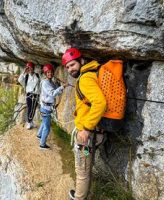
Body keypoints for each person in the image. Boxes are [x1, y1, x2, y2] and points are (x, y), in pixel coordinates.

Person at [62, 48, 107, 200]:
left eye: (72, 64)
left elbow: (100, 103)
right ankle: (84, 192)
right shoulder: (89, 74)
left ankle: (79, 197)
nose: (70, 69)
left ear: (81, 61)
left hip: (87, 137)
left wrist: (86, 128)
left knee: (81, 168)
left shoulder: (86, 79)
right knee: (86, 162)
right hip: (92, 136)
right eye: (67, 67)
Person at [37, 63, 68, 149]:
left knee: (44, 122)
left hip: (46, 107)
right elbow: (53, 93)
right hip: (46, 108)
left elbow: (56, 90)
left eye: (51, 72)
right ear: (45, 73)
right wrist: (62, 87)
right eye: (48, 72)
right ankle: (42, 144)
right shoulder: (45, 83)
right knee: (47, 127)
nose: (50, 74)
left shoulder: (50, 82)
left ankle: (39, 135)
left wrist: (61, 86)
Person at [18, 61, 41, 129]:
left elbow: (40, 84)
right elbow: (19, 80)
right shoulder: (26, 76)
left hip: (36, 95)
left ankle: (31, 122)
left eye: (31, 68)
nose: (30, 69)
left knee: (33, 109)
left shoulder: (37, 75)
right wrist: (24, 72)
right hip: (29, 95)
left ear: (33, 68)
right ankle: (29, 122)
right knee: (30, 108)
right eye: (28, 68)